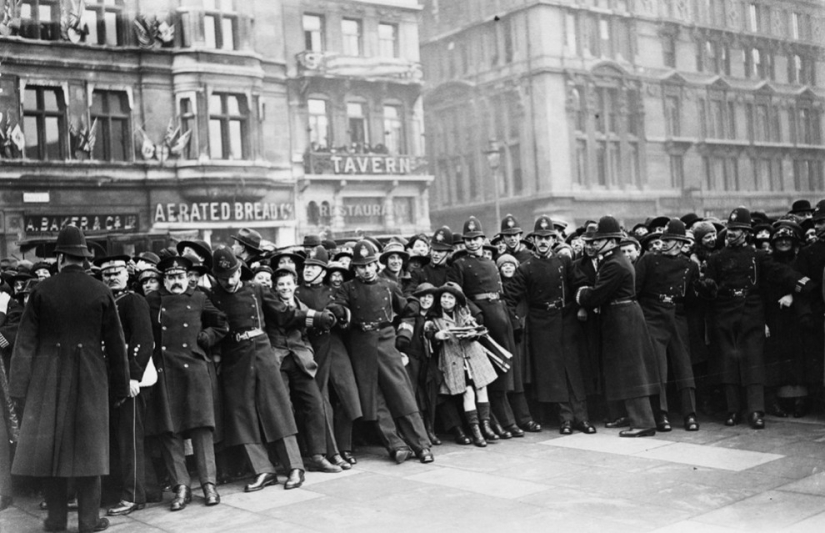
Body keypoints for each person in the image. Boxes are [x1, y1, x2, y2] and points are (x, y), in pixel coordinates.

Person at [9, 225, 130, 532]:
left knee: (52, 451)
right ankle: (89, 522)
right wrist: (119, 388)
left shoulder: (40, 291)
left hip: (48, 377)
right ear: (84, 258)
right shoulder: (101, 291)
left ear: (60, 257)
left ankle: (57, 521)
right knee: (91, 450)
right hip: (91, 375)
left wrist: (19, 388)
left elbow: (25, 342)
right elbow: (116, 346)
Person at [209, 248, 322, 492]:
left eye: (232, 275)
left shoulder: (256, 290)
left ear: (240, 270)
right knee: (243, 415)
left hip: (261, 352)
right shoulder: (212, 296)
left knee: (276, 408)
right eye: (223, 277)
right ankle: (263, 470)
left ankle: (294, 467)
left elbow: (284, 314)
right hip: (233, 358)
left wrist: (315, 317)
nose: (229, 281)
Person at [700, 207, 809, 429]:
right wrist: (707, 286)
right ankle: (733, 410)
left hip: (751, 313)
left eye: (737, 230)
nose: (731, 233)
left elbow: (781, 273)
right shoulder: (717, 258)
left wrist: (803, 283)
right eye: (730, 229)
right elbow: (708, 285)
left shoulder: (758, 257)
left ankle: (756, 411)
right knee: (729, 363)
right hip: (725, 313)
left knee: (753, 362)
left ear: (746, 233)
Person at [328, 240, 434, 464]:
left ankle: (422, 445)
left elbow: (406, 308)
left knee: (401, 393)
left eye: (369, 265)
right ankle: (395, 445)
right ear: (354, 269)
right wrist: (337, 311)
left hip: (386, 342)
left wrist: (409, 319)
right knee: (374, 399)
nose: (366, 270)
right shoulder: (347, 289)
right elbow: (337, 306)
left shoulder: (389, 286)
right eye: (360, 266)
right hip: (360, 346)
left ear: (376, 264)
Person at [145, 255, 228, 511]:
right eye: (170, 277)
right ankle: (180, 485)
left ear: (187, 278)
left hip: (194, 369)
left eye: (180, 276)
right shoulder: (153, 301)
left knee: (202, 427)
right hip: (166, 370)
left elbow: (222, 323)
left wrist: (207, 336)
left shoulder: (200, 297)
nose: (176, 282)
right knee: (171, 431)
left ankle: (208, 484)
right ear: (164, 280)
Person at [505, 216, 595, 435]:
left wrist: (582, 306)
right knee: (554, 373)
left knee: (573, 369)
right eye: (539, 238)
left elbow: (581, 284)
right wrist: (516, 321)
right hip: (541, 324)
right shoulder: (525, 268)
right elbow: (509, 297)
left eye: (548, 238)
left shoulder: (564, 263)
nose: (544, 242)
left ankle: (582, 418)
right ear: (533, 240)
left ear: (554, 239)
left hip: (566, 319)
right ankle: (565, 419)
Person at [448, 217, 537, 438]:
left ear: (483, 240)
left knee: (512, 372)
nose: (473, 243)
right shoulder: (459, 265)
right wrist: (477, 315)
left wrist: (511, 319)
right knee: (495, 374)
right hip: (484, 320)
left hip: (502, 316)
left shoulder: (491, 262)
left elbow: (502, 293)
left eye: (477, 239)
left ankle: (519, 419)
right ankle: (505, 422)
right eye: (468, 240)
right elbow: (458, 295)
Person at [576, 216, 660, 437]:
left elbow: (596, 296)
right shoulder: (615, 259)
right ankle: (630, 416)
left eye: (599, 240)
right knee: (624, 369)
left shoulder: (614, 263)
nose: (593, 244)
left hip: (624, 319)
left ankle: (643, 422)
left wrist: (581, 294)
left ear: (612, 241)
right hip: (621, 316)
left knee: (633, 371)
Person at [269, 265, 345, 474]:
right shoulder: (272, 305)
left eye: (288, 284)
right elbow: (289, 317)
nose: (285, 288)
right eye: (281, 284)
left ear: (295, 285)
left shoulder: (300, 303)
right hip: (279, 360)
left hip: (300, 360)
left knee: (315, 403)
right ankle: (289, 460)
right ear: (275, 288)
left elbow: (304, 335)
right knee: (284, 407)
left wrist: (308, 352)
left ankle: (317, 455)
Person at [95, 256, 155, 516]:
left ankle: (134, 496)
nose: (111, 278)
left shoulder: (134, 300)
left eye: (116, 272)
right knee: (116, 440)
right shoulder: (105, 302)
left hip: (130, 380)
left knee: (129, 439)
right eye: (106, 274)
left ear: (127, 274)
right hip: (109, 378)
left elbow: (144, 338)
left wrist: (133, 377)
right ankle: (120, 492)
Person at [295, 247, 363, 465]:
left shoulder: (332, 291)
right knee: (321, 398)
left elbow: (346, 316)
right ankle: (329, 451)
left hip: (335, 344)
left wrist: (340, 312)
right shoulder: (296, 292)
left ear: (323, 272)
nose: (308, 270)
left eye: (314, 267)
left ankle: (345, 447)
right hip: (312, 347)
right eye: (307, 266)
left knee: (347, 394)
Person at [634, 220, 701, 432]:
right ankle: (661, 414)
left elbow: (691, 298)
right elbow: (636, 289)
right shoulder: (648, 260)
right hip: (653, 314)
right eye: (664, 239)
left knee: (684, 365)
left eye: (670, 240)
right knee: (658, 366)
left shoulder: (690, 266)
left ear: (681, 244)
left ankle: (690, 414)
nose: (664, 243)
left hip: (677, 316)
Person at [429, 283, 498, 447]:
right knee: (467, 392)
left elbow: (478, 333)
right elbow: (430, 336)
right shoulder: (434, 318)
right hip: (453, 358)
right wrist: (438, 336)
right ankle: (476, 431)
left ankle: (486, 425)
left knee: (482, 388)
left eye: (450, 298)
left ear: (456, 301)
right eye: (444, 297)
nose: (446, 301)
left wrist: (473, 332)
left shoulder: (464, 313)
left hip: (473, 355)